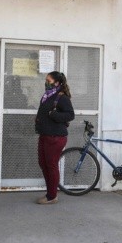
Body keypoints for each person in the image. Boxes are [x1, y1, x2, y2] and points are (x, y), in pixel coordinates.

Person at [35, 71, 75, 204]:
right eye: (46, 80)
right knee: (43, 163)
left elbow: (70, 115)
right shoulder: (48, 95)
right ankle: (50, 192)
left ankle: (52, 196)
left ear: (57, 83)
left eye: (49, 81)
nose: (46, 83)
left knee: (51, 165)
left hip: (55, 137)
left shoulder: (62, 97)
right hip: (45, 134)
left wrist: (54, 115)